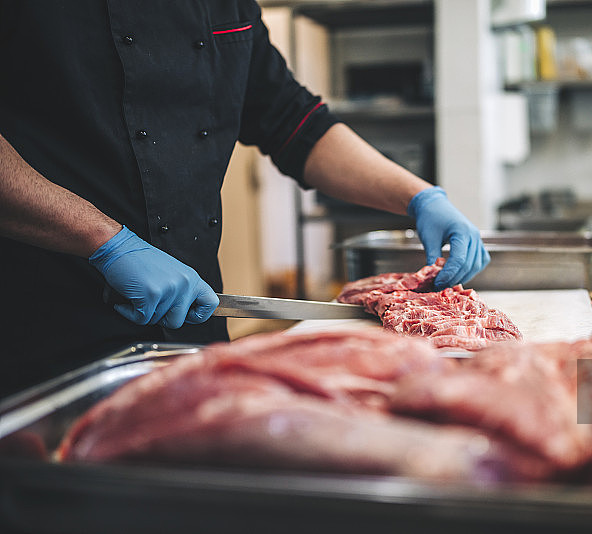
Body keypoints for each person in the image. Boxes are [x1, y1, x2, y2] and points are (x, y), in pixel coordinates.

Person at [0, 1, 490, 397]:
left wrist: (419, 195)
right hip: (42, 338)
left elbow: (294, 121)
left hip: (192, 320)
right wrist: (106, 243)